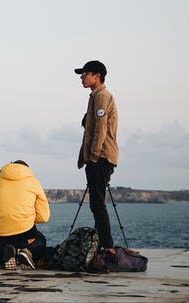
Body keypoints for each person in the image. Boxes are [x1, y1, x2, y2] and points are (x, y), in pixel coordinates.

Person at [75, 60, 119, 249]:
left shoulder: (102, 96)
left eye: (85, 74)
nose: (82, 77)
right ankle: (101, 244)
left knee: (97, 204)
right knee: (96, 203)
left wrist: (92, 156)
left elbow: (100, 129)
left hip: (101, 157)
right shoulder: (95, 97)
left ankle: (106, 245)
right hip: (97, 157)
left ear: (97, 76)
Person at [0, 160, 50, 270]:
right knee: (40, 240)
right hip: (26, 232)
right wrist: (28, 217)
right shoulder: (33, 182)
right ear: (27, 170)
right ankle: (26, 251)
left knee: (4, 244)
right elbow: (44, 217)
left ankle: (9, 254)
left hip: (3, 233)